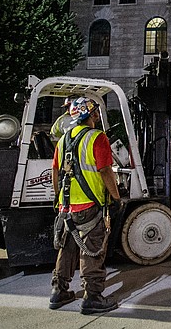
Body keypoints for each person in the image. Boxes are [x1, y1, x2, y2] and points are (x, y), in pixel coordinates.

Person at [50, 97, 121, 315]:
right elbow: (105, 170)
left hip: (66, 206)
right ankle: (92, 297)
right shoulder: (97, 137)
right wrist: (116, 197)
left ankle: (58, 291)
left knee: (67, 247)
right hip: (90, 206)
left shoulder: (63, 140)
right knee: (92, 250)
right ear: (91, 115)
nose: (97, 115)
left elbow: (55, 171)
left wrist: (60, 199)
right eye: (96, 112)